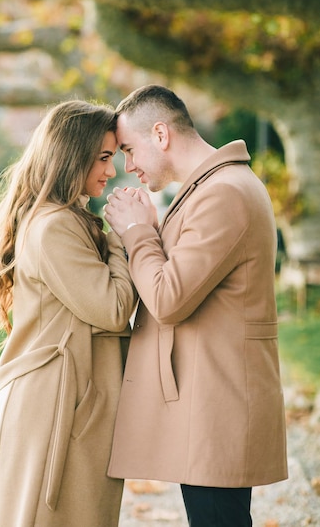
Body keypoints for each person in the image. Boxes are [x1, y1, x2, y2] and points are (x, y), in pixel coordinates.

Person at [104, 84, 288, 527]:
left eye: (130, 149)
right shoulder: (210, 187)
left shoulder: (222, 192)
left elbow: (168, 299)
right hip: (210, 399)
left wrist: (135, 233)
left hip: (217, 404)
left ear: (161, 135)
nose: (128, 167)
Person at [0, 100, 137, 527]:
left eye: (113, 157)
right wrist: (127, 236)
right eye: (102, 158)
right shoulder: (55, 226)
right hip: (56, 406)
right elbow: (114, 309)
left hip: (62, 399)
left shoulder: (64, 218)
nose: (111, 170)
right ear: (71, 155)